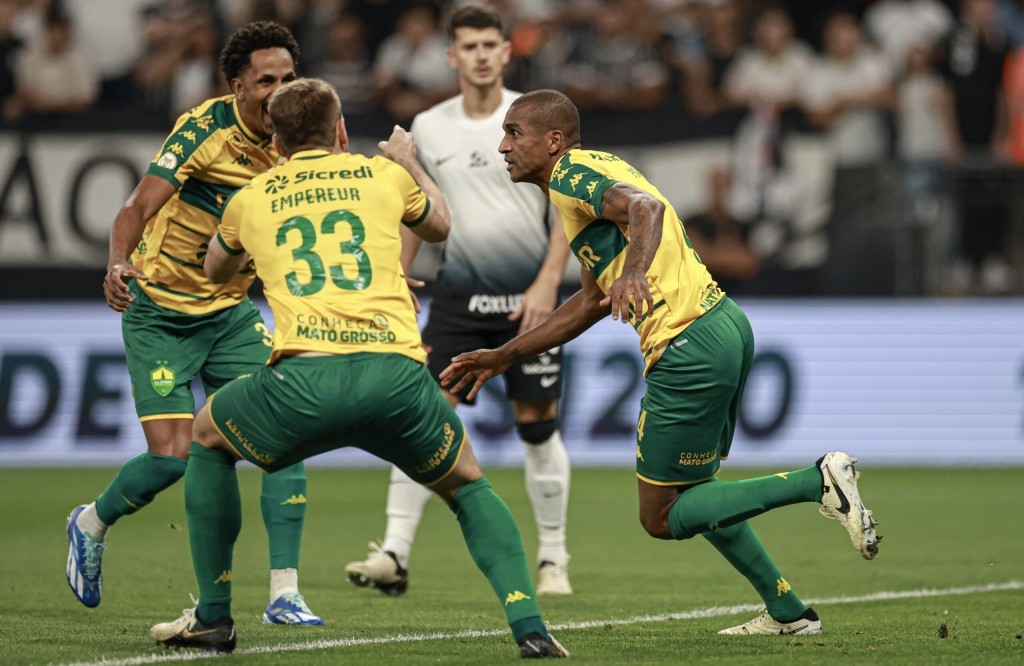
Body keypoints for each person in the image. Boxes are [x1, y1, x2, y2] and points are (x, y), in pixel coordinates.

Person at [147, 76, 569, 659]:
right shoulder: (382, 175)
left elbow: (216, 271)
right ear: (341, 130)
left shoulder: (253, 195)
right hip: (394, 379)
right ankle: (530, 626)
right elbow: (441, 225)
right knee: (468, 484)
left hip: (302, 383)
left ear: (275, 141)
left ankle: (214, 618)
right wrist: (410, 163)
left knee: (206, 434)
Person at [441, 88, 883, 635]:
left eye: (514, 133)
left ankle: (817, 481)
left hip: (685, 341)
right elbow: (591, 300)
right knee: (699, 492)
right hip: (720, 325)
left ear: (553, 141)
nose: (503, 145)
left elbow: (648, 211)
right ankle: (789, 612)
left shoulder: (570, 172)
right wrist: (506, 355)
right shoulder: (587, 184)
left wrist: (635, 273)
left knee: (660, 516)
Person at [65, 21, 322, 626]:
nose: (281, 90)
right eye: (267, 81)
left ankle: (284, 590)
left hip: (231, 313)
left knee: (284, 434)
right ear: (237, 86)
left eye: (289, 78)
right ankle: (91, 521)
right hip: (161, 312)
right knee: (172, 458)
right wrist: (117, 262)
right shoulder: (205, 129)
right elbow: (136, 207)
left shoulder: (309, 130)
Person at [344, 4, 573, 598]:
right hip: (458, 297)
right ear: (452, 56)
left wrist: (550, 281)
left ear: (505, 52)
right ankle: (393, 552)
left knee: (537, 427)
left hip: (527, 297)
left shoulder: (533, 117)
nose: (478, 55)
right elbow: (416, 210)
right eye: (467, 46)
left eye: (488, 45)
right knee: (424, 420)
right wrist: (396, 281)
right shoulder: (429, 124)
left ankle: (553, 560)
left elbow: (567, 210)